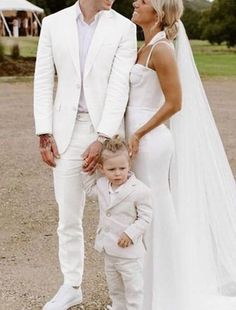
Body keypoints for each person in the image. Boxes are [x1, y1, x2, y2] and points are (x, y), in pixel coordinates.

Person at [126, 0, 236, 309]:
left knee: (154, 209)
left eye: (144, 0)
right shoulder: (144, 46)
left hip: (151, 143)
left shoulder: (163, 50)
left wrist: (138, 133)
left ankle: (166, 293)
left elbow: (174, 103)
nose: (135, 2)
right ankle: (143, 291)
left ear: (158, 13)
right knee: (138, 210)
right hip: (137, 140)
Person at [33, 0, 137, 309]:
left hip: (105, 133)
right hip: (65, 133)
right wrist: (44, 133)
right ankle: (71, 285)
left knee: (119, 214)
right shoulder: (53, 24)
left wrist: (103, 137)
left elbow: (120, 87)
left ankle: (124, 295)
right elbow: (42, 80)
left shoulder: (124, 28)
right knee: (68, 216)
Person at [82, 136, 152, 310]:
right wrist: (85, 170)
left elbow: (145, 217)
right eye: (111, 169)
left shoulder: (140, 190)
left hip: (130, 254)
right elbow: (89, 190)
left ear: (129, 164)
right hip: (109, 250)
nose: (118, 173)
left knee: (134, 290)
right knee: (115, 290)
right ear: (102, 168)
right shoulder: (102, 184)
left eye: (122, 168)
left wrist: (131, 233)